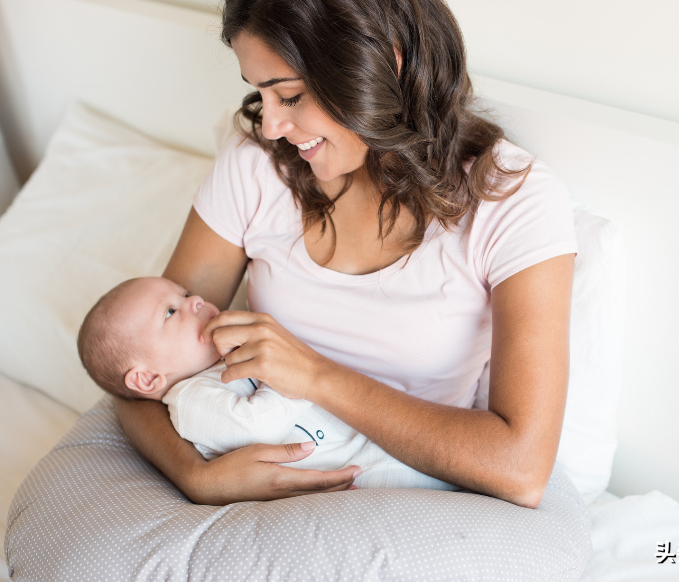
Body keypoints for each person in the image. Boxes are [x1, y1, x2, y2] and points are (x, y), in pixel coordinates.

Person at [114, 0, 577, 508]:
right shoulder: (257, 167)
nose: (269, 127)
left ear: (382, 62)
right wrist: (197, 478)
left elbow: (522, 467)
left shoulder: (511, 199)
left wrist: (316, 376)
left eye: (289, 96)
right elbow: (139, 368)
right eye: (260, 94)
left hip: (406, 494)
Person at [77, 276, 457, 491]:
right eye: (171, 311)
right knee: (430, 479)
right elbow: (257, 425)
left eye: (187, 293)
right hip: (353, 468)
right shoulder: (190, 401)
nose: (194, 302)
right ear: (147, 378)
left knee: (439, 466)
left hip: (362, 439)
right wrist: (292, 373)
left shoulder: (218, 364)